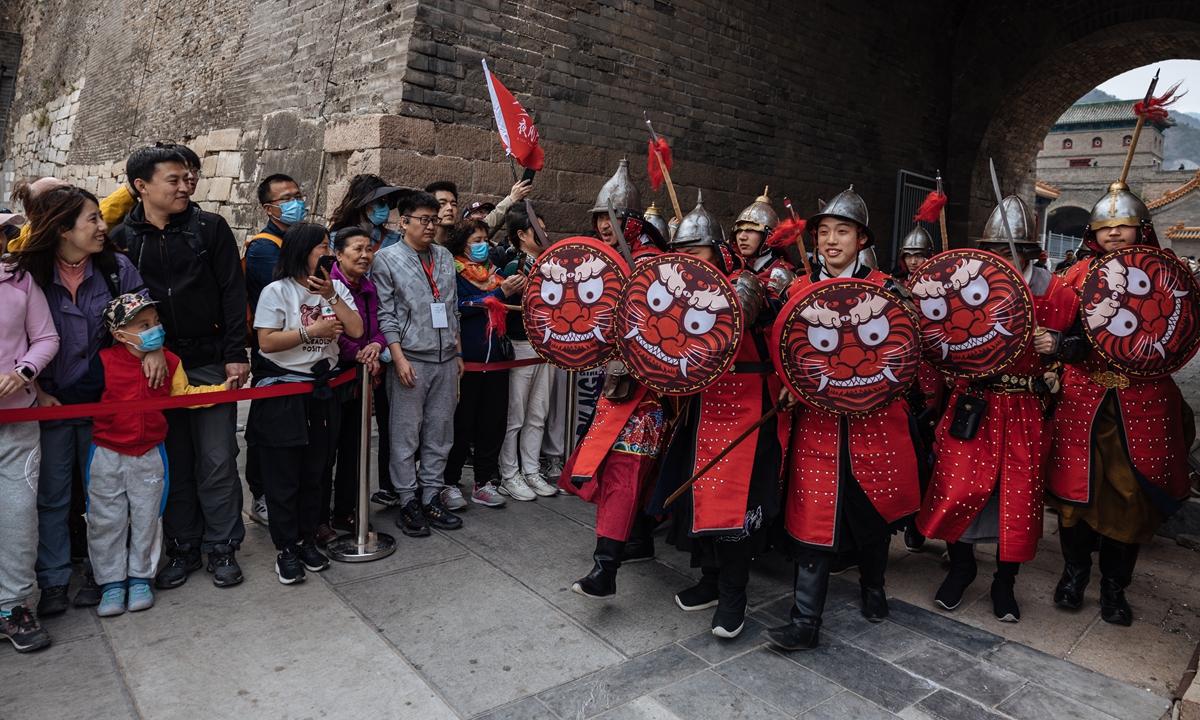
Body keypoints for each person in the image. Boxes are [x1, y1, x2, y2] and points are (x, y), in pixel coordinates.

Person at [763, 187, 923, 651]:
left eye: (843, 231)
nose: (831, 241)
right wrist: (789, 389)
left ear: (861, 239)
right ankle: (805, 620)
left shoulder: (889, 289)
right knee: (813, 516)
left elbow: (911, 356)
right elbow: (784, 355)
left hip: (875, 424)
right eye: (824, 232)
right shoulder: (796, 291)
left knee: (871, 514)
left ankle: (874, 586)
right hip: (817, 426)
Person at [916, 196, 1075, 624]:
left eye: (1010, 251)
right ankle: (962, 568)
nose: (1001, 258)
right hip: (974, 404)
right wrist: (947, 363)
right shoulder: (967, 283)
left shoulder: (1057, 293)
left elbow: (1087, 351)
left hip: (1025, 406)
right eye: (994, 251)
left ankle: (1005, 583)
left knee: (1018, 499)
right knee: (958, 487)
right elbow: (935, 336)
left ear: (1028, 250)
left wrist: (1058, 347)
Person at [1047, 182, 1194, 626]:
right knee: (1074, 499)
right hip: (1083, 398)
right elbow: (1064, 336)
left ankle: (1114, 588)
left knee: (1129, 499)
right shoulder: (1074, 276)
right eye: (1106, 226)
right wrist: (1059, 346)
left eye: (1124, 225)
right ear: (1093, 230)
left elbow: (1179, 335)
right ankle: (1073, 576)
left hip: (1141, 401)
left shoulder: (1167, 275)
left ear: (1141, 229)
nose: (1114, 233)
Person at [13, 185, 164, 616]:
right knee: (53, 496)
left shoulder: (116, 268)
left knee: (106, 498)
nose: (102, 226)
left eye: (101, 217)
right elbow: (19, 339)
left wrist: (152, 348)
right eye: (92, 220)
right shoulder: (29, 275)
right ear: (62, 229)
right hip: (51, 403)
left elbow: (144, 317)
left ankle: (106, 577)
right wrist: (37, 391)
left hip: (107, 403)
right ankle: (55, 578)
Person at [110, 145, 250, 590]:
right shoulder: (122, 240)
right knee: (173, 459)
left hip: (209, 360)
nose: (186, 186)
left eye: (189, 178)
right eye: (174, 179)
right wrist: (146, 352)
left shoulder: (209, 228)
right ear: (141, 186)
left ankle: (222, 543)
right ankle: (184, 543)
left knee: (217, 456)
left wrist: (236, 352)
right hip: (156, 365)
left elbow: (232, 292)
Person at [649, 194, 786, 639]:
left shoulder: (750, 281)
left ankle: (733, 594)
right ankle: (709, 580)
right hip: (704, 402)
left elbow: (736, 315)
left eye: (696, 252)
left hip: (747, 404)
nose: (688, 261)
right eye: (682, 254)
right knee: (697, 496)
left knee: (734, 505)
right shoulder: (682, 284)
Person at [559, 161, 668, 600]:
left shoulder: (654, 264)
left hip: (651, 386)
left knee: (627, 467)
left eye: (613, 217)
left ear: (632, 221)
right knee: (624, 467)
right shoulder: (603, 260)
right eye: (600, 217)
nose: (605, 225)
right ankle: (636, 541)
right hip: (618, 381)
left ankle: (605, 568)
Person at [86, 294, 232, 615]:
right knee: (104, 520)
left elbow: (185, 396)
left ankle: (140, 578)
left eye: (156, 322)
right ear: (120, 334)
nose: (155, 329)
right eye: (144, 325)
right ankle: (110, 583)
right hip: (106, 454)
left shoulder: (171, 361)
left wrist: (222, 389)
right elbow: (81, 398)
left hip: (150, 453)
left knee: (147, 518)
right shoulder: (103, 362)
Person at [247, 223, 363, 583]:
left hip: (322, 391)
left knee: (316, 473)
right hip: (284, 393)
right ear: (301, 250)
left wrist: (331, 296)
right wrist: (310, 332)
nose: (327, 253)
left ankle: (306, 536)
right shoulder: (275, 291)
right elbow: (266, 342)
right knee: (284, 477)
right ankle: (286, 549)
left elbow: (356, 329)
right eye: (321, 247)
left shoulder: (335, 287)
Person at [374, 191, 465, 537]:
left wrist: (457, 354)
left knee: (441, 432)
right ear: (404, 222)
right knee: (405, 434)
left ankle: (431, 496)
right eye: (423, 220)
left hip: (444, 359)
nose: (431, 225)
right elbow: (386, 315)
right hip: (411, 359)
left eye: (434, 219)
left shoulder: (442, 256)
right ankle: (407, 499)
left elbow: (452, 307)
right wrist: (397, 358)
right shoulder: (386, 259)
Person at [0, 250, 59, 652]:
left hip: (17, 420)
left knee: (18, 515)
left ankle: (13, 606)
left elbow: (45, 337)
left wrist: (23, 372)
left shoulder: (18, 280)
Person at [445, 218, 525, 508]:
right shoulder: (452, 271)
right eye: (476, 240)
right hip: (469, 360)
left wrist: (518, 291)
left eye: (484, 239)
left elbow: (508, 307)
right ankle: (449, 482)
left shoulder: (495, 272)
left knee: (493, 424)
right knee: (461, 424)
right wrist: (501, 294)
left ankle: (483, 482)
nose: (482, 245)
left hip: (498, 360)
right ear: (462, 244)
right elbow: (460, 309)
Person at [243, 173, 307, 526]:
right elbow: (284, 293)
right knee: (267, 426)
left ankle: (288, 490)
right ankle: (262, 494)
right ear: (269, 208)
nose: (296, 202)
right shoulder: (265, 247)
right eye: (286, 198)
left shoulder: (298, 239)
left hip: (305, 343)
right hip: (274, 349)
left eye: (297, 195)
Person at [321, 226, 389, 539]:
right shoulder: (327, 286)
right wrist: (361, 353)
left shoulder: (368, 286)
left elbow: (376, 325)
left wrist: (376, 346)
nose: (365, 255)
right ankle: (319, 517)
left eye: (368, 249)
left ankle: (346, 511)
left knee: (354, 448)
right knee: (325, 452)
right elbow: (334, 332)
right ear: (337, 253)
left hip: (361, 375)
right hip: (336, 375)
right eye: (357, 249)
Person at [497, 205, 557, 500]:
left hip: (546, 347)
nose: (544, 234)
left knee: (537, 413)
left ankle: (531, 469)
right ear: (521, 235)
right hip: (522, 346)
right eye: (538, 230)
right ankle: (510, 473)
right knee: (516, 415)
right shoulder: (515, 267)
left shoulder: (549, 265)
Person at [9, 176, 138, 253]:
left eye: (71, 188)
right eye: (63, 193)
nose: (75, 195)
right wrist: (126, 193)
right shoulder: (28, 248)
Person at [328, 174, 407, 254]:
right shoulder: (335, 240)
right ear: (363, 204)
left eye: (387, 201)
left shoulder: (395, 240)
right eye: (381, 200)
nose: (385, 206)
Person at [425, 181, 459, 246]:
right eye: (442, 203)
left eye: (453, 204)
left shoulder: (460, 247)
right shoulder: (421, 245)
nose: (450, 208)